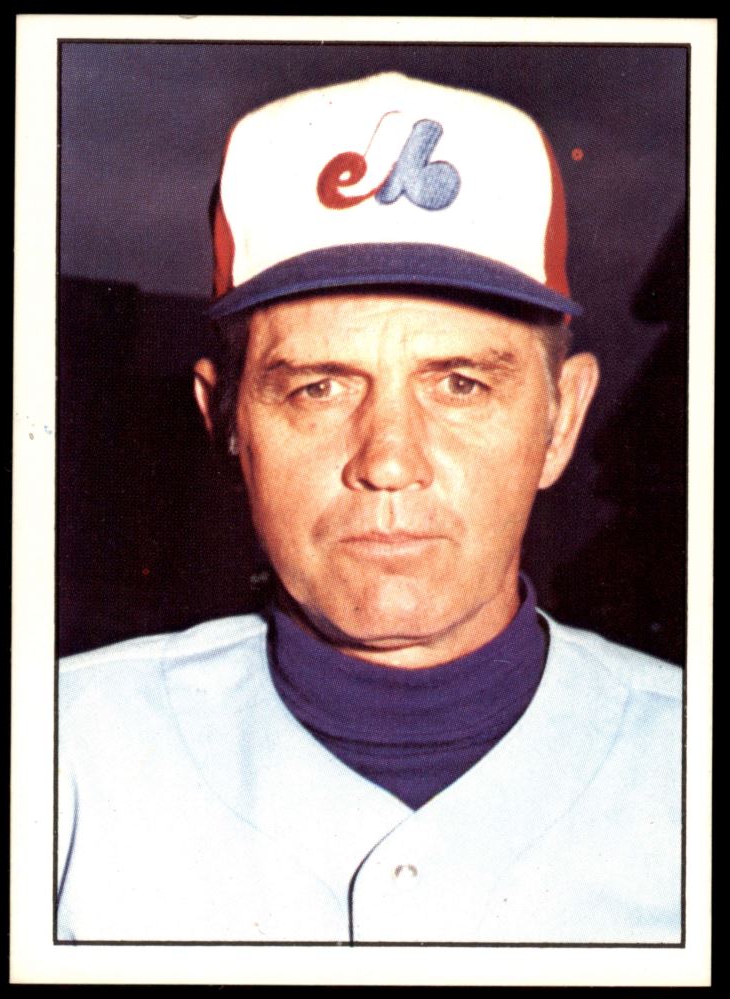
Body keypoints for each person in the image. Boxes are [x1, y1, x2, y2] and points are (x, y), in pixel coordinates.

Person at [57, 72, 681, 944]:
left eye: (460, 384)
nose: (388, 462)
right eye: (318, 387)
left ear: (561, 422)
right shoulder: (58, 758)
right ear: (224, 422)